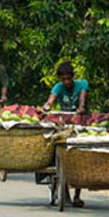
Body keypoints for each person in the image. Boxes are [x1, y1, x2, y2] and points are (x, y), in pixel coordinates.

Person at [38, 62, 87, 208]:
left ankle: (77, 195)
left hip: (80, 121)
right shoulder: (58, 88)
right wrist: (46, 108)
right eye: (63, 79)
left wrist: (81, 108)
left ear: (73, 77)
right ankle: (64, 191)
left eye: (68, 78)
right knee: (56, 149)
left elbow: (82, 102)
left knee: (81, 155)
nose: (66, 82)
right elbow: (50, 101)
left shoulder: (82, 85)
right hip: (64, 122)